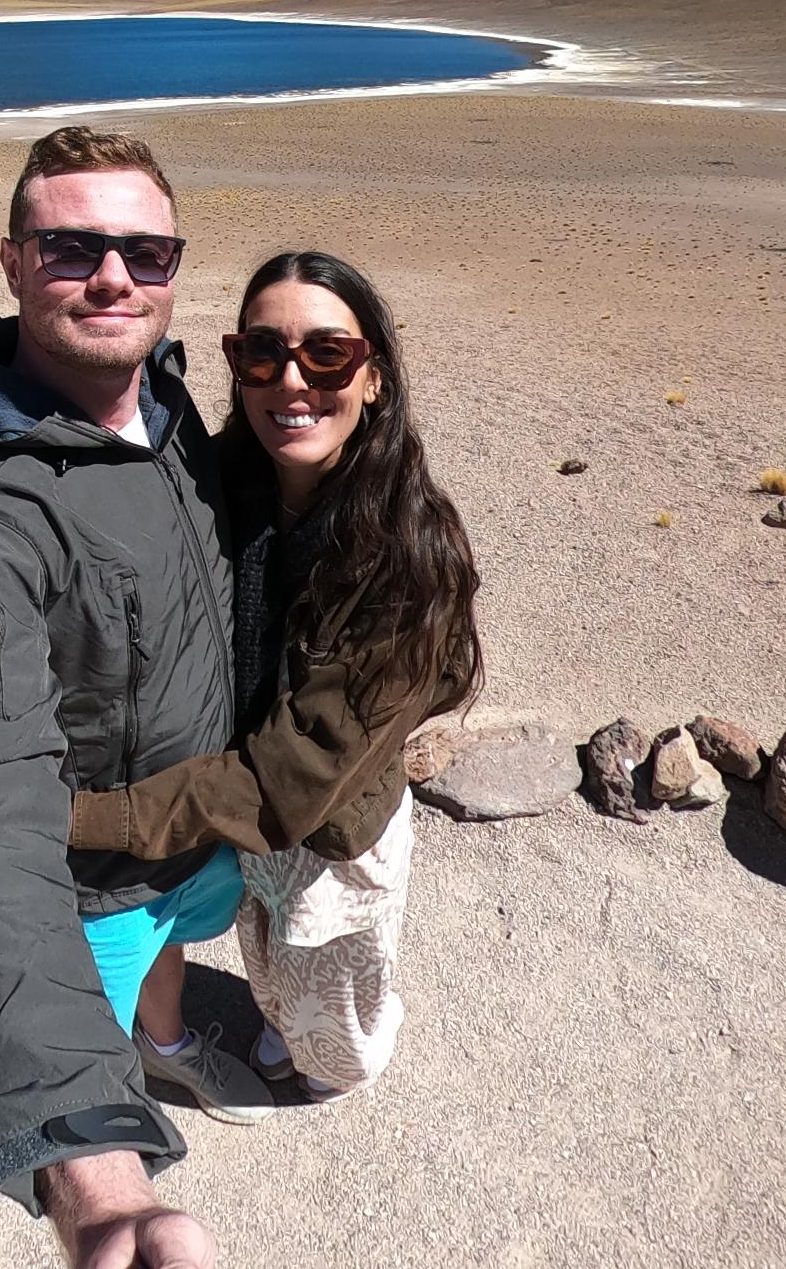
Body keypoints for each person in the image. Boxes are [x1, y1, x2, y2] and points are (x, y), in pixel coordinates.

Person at [0, 125, 270, 1269]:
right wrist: (95, 1178)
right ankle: (117, 1089)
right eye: (72, 249)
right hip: (86, 872)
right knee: (103, 989)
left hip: (188, 830)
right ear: (12, 264)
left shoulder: (162, 397)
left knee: (173, 949)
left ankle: (169, 1039)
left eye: (147, 255)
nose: (115, 277)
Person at [67, 250, 483, 1099]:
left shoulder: (405, 560)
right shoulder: (240, 487)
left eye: (327, 353)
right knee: (268, 956)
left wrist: (81, 817)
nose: (291, 380)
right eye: (263, 353)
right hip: (252, 828)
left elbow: (281, 791)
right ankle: (279, 1027)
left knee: (334, 1013)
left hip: (331, 839)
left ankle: (331, 1066)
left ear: (374, 378)